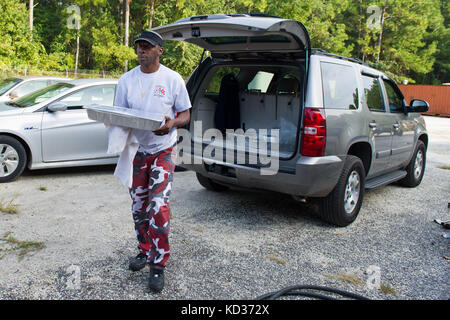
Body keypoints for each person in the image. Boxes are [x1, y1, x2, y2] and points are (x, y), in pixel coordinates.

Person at [113, 30, 191, 293]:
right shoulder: (126, 81)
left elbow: (185, 114)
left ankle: (158, 264)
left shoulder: (172, 79)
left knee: (157, 206)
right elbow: (119, 114)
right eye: (138, 47)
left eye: (147, 47)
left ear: (160, 50)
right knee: (139, 207)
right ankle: (144, 250)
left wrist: (171, 124)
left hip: (162, 151)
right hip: (136, 151)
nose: (141, 51)